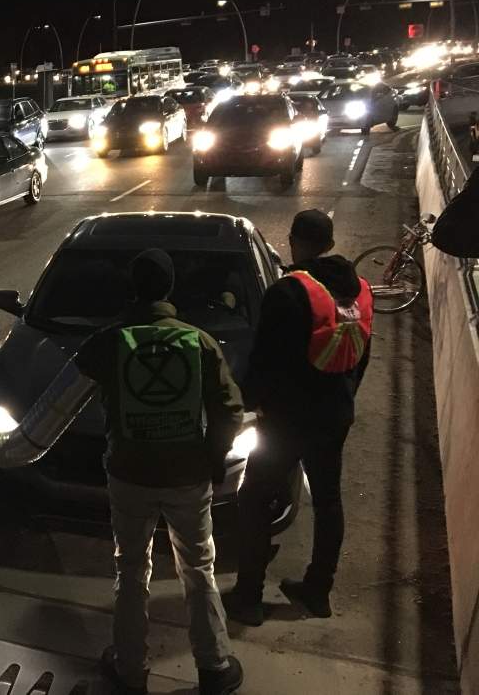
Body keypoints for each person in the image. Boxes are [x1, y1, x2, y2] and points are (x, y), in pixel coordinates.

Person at [76, 249, 244, 695]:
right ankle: (214, 666)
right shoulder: (199, 341)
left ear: (134, 290)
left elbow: (81, 362)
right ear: (170, 289)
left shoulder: (112, 341)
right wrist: (212, 458)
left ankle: (130, 669)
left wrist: (122, 322)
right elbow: (230, 410)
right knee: (198, 568)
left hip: (129, 474)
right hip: (188, 475)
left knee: (130, 570)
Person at [225, 209, 371, 626]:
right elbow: (361, 356)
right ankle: (317, 591)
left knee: (254, 498)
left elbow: (264, 360)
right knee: (328, 501)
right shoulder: (359, 289)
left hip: (287, 420)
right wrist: (343, 398)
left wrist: (254, 404)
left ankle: (249, 597)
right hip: (335, 413)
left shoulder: (288, 291)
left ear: (293, 240)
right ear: (328, 242)